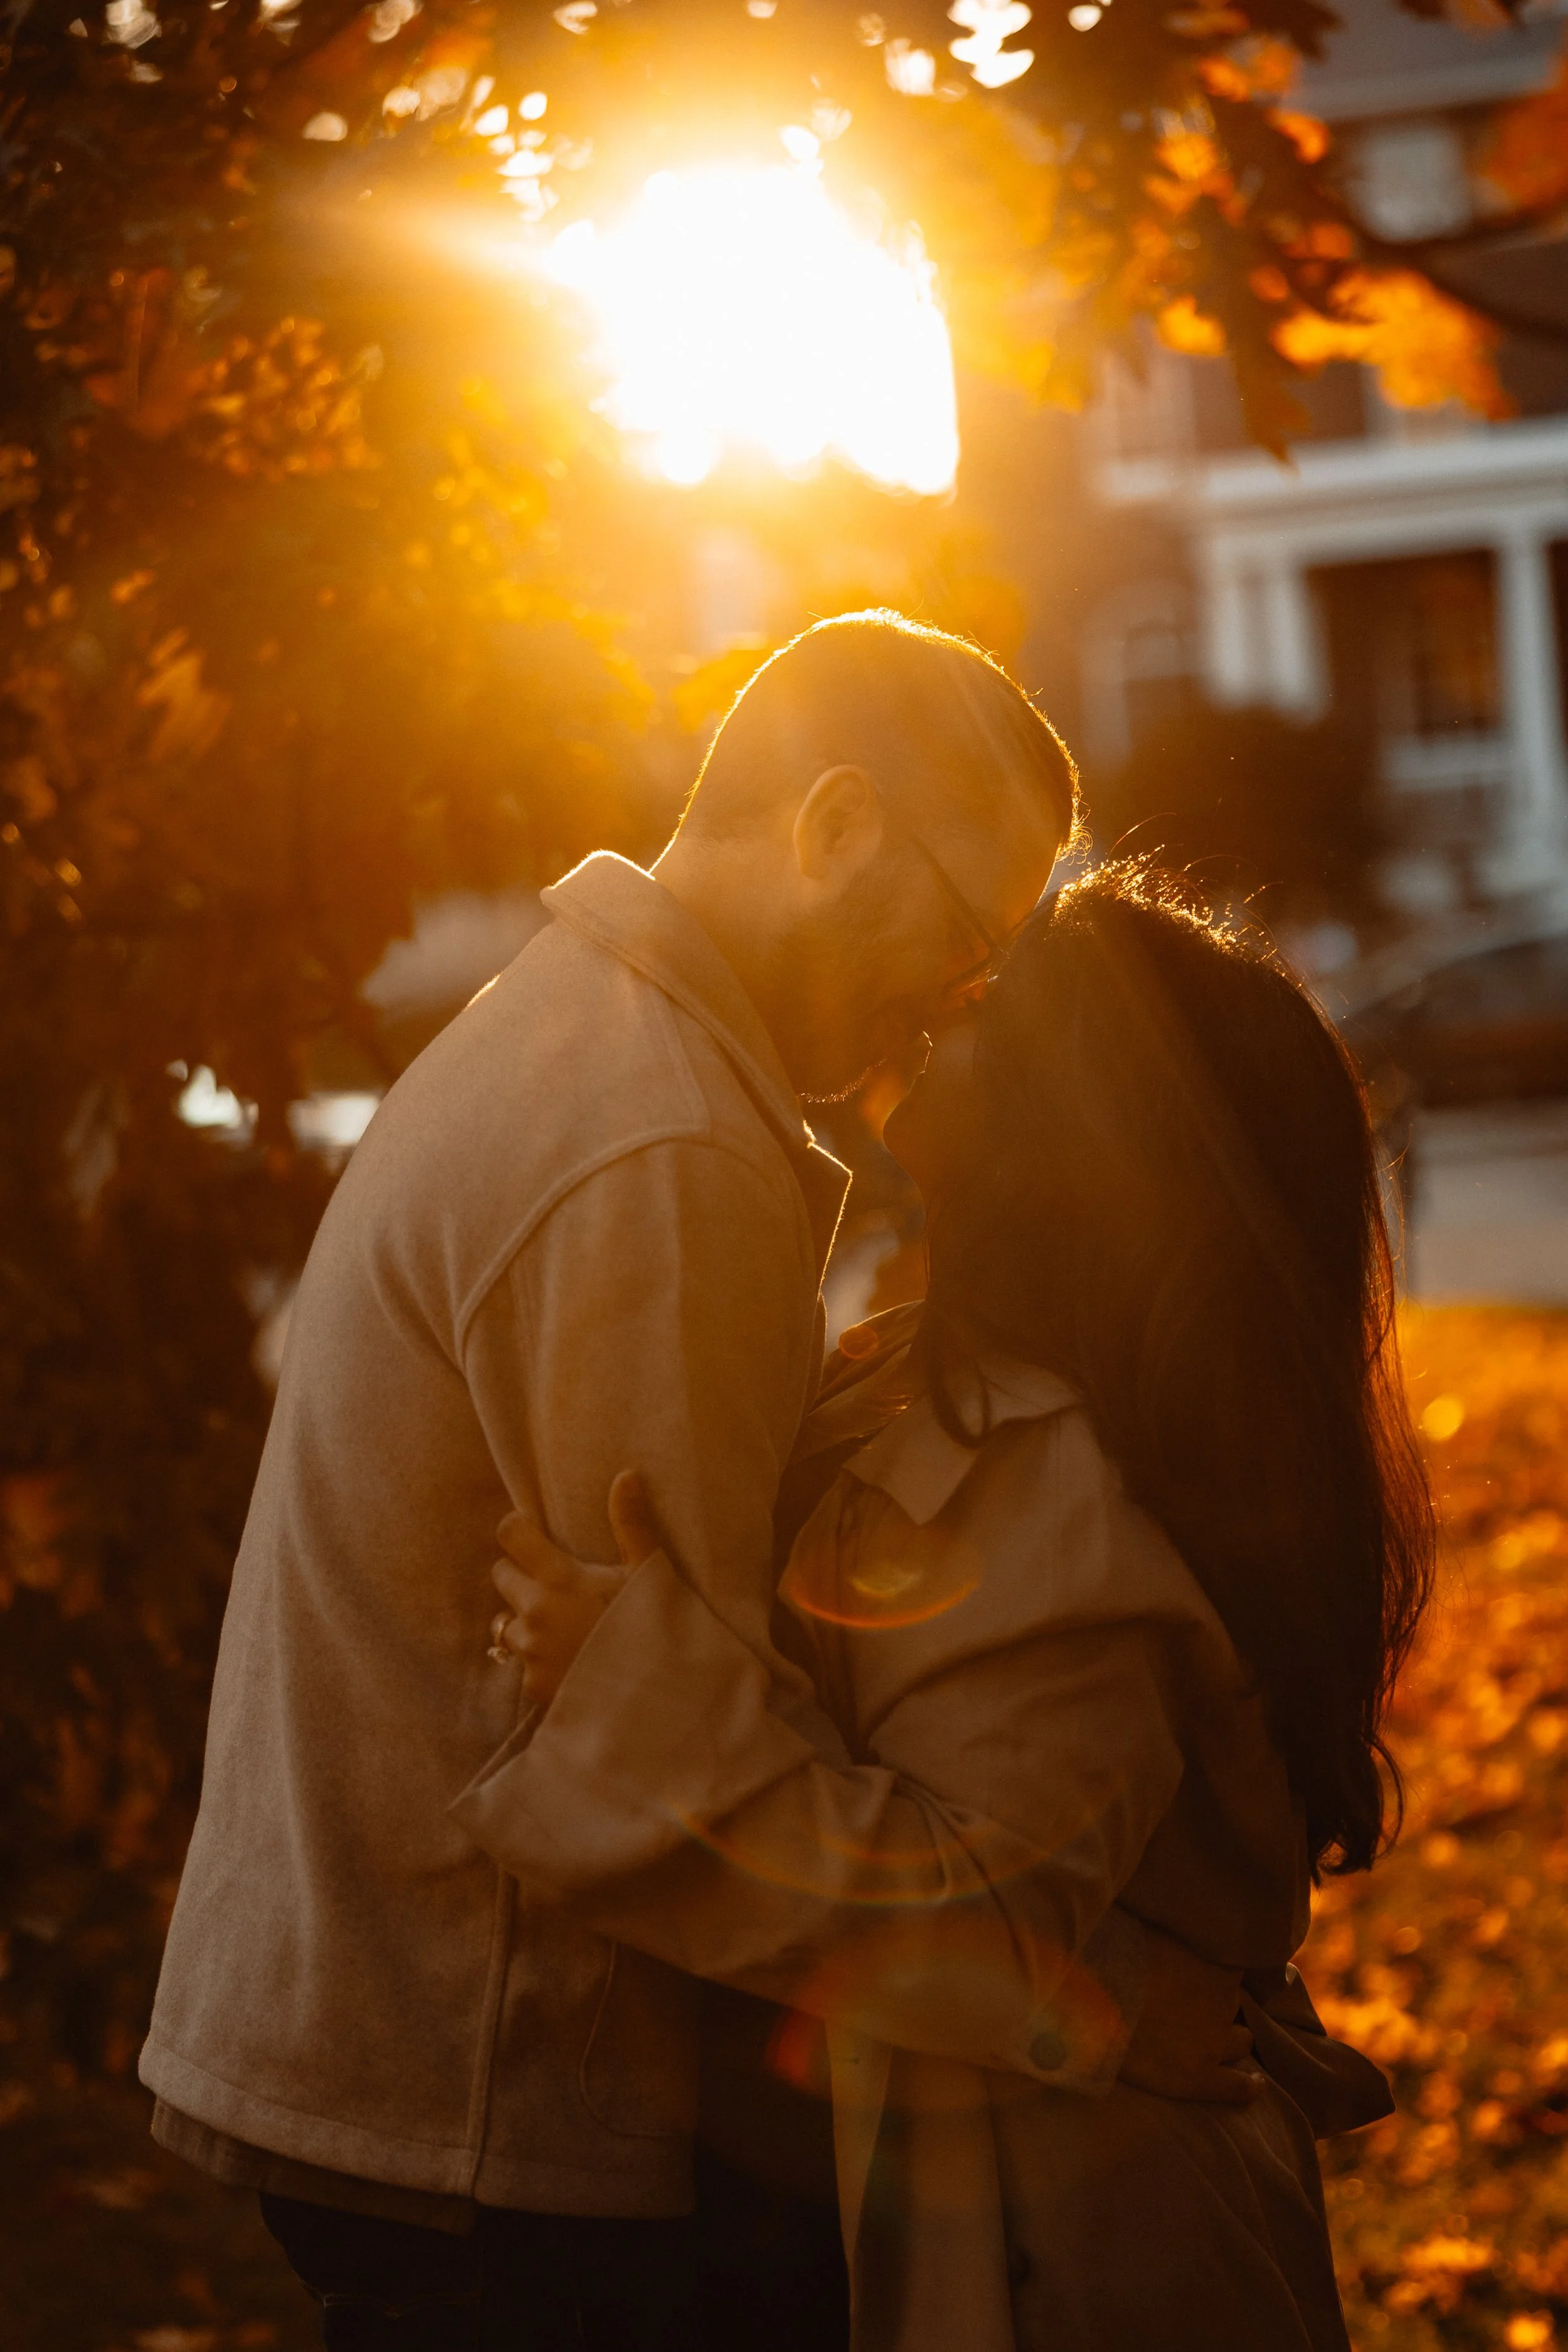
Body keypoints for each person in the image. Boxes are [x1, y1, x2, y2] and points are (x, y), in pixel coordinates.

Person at [139, 616, 1247, 2351]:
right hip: (495, 2093)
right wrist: (1079, 2002)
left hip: (395, 2037)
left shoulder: (580, 1030)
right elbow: (675, 1777)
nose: (957, 1004)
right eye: (968, 939)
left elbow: (669, 1706)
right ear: (831, 827)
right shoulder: (660, 1141)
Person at [482, 861, 1435, 2351]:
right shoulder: (962, 1381)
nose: (936, 1001)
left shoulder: (1053, 1466)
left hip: (1077, 2259)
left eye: (989, 1000)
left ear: (1084, 1113)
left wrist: (628, 1689)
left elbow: (964, 1901)